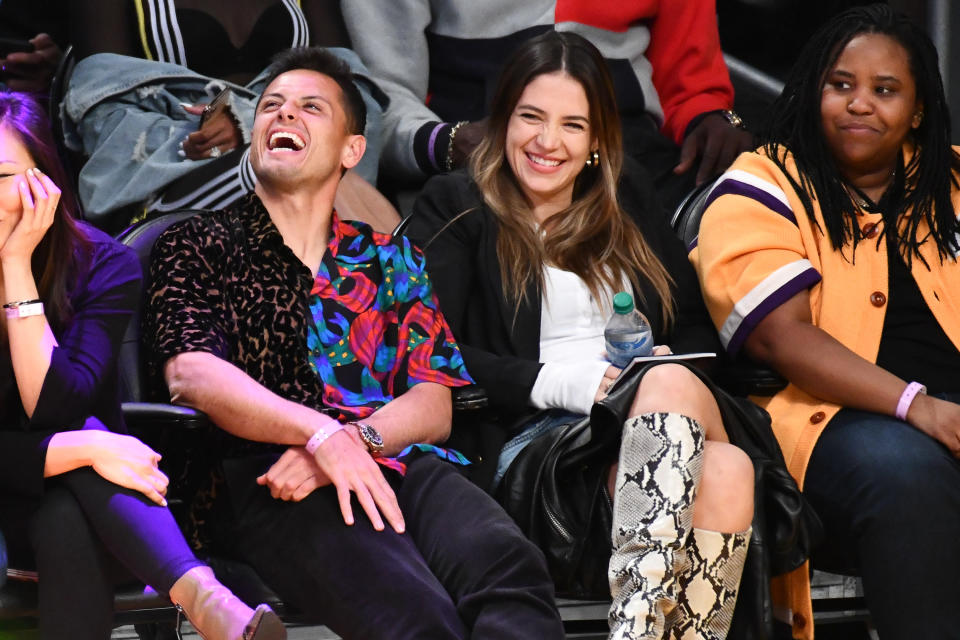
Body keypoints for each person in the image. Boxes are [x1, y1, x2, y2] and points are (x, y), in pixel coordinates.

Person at [143, 46, 565, 640]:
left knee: (512, 570)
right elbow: (191, 372)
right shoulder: (199, 242)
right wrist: (317, 436)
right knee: (415, 614)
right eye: (271, 107)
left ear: (352, 150)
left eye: (310, 108)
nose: (283, 116)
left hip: (390, 456)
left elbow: (434, 402)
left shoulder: (389, 255)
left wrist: (353, 441)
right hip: (268, 474)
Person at [406, 32, 754, 640]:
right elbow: (436, 349)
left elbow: (700, 328)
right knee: (724, 470)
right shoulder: (458, 204)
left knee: (690, 410)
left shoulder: (628, 201)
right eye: (530, 118)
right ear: (502, 121)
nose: (547, 142)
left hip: (657, 419)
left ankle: (637, 628)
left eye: (572, 125)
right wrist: (574, 383)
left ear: (597, 141)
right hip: (536, 442)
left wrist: (661, 364)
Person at [692, 5, 960, 639]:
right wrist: (918, 407)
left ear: (917, 110)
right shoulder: (763, 183)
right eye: (842, 85)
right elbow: (777, 334)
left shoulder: (949, 181)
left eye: (885, 90)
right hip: (826, 421)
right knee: (906, 475)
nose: (860, 104)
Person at [0, 91, 285, 639]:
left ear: (47, 182)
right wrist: (74, 447)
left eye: (4, 174)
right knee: (85, 446)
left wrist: (16, 268)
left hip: (92, 502)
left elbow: (55, 404)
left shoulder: (103, 264)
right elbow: (64, 428)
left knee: (66, 508)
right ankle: (205, 599)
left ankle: (205, 599)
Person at [341, 0, 754, 207]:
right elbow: (380, 96)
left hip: (629, 146)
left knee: (754, 202)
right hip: (481, 150)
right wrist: (451, 143)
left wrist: (710, 116)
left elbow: (690, 79)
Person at [61, 0, 393, 231]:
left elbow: (351, 91)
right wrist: (252, 134)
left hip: (297, 152)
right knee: (308, 186)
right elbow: (104, 107)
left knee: (321, 185)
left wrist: (253, 124)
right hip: (177, 171)